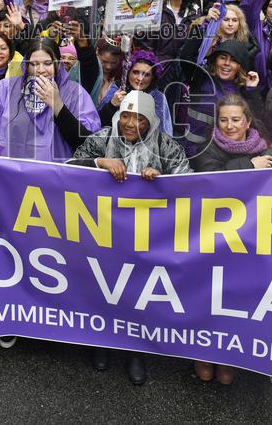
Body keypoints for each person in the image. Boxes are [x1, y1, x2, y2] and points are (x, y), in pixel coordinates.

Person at [69, 90, 192, 385]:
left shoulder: (166, 145)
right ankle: (102, 342)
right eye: (126, 115)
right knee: (104, 286)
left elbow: (189, 182)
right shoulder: (103, 137)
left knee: (138, 292)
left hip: (147, 235)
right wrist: (100, 163)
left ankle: (135, 350)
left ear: (150, 121)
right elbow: (68, 169)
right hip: (103, 231)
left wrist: (161, 179)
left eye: (139, 118)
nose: (130, 123)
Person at [0, 39, 101, 162]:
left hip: (55, 175)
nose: (41, 70)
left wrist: (58, 106)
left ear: (58, 64)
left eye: (47, 63)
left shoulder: (75, 93)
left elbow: (86, 143)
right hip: (10, 172)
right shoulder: (6, 87)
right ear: (26, 66)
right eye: (34, 64)